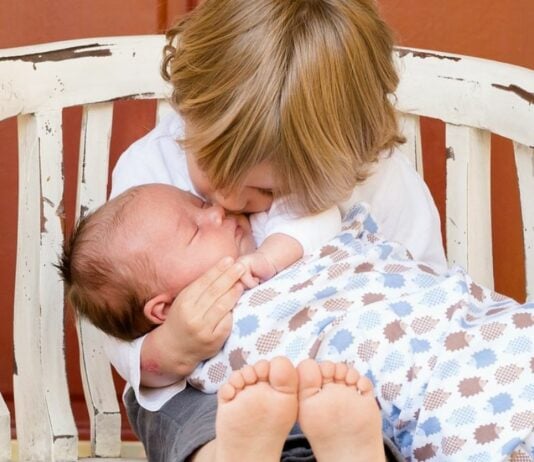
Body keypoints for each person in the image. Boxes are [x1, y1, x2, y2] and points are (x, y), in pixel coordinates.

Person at [101, 0, 448, 460]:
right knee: (177, 412)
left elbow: (426, 294)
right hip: (217, 386)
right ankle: (229, 454)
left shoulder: (378, 179)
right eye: (209, 167)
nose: (225, 203)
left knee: (366, 414)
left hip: (349, 381)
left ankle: (353, 452)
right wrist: (172, 346)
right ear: (189, 110)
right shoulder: (150, 169)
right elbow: (121, 314)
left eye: (266, 191)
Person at [59, 183, 390, 461]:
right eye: (195, 231)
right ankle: (227, 453)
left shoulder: (266, 230)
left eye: (201, 204)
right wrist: (172, 343)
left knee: (349, 413)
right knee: (172, 407)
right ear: (162, 308)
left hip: (332, 394)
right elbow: (118, 321)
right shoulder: (144, 185)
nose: (218, 211)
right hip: (232, 402)